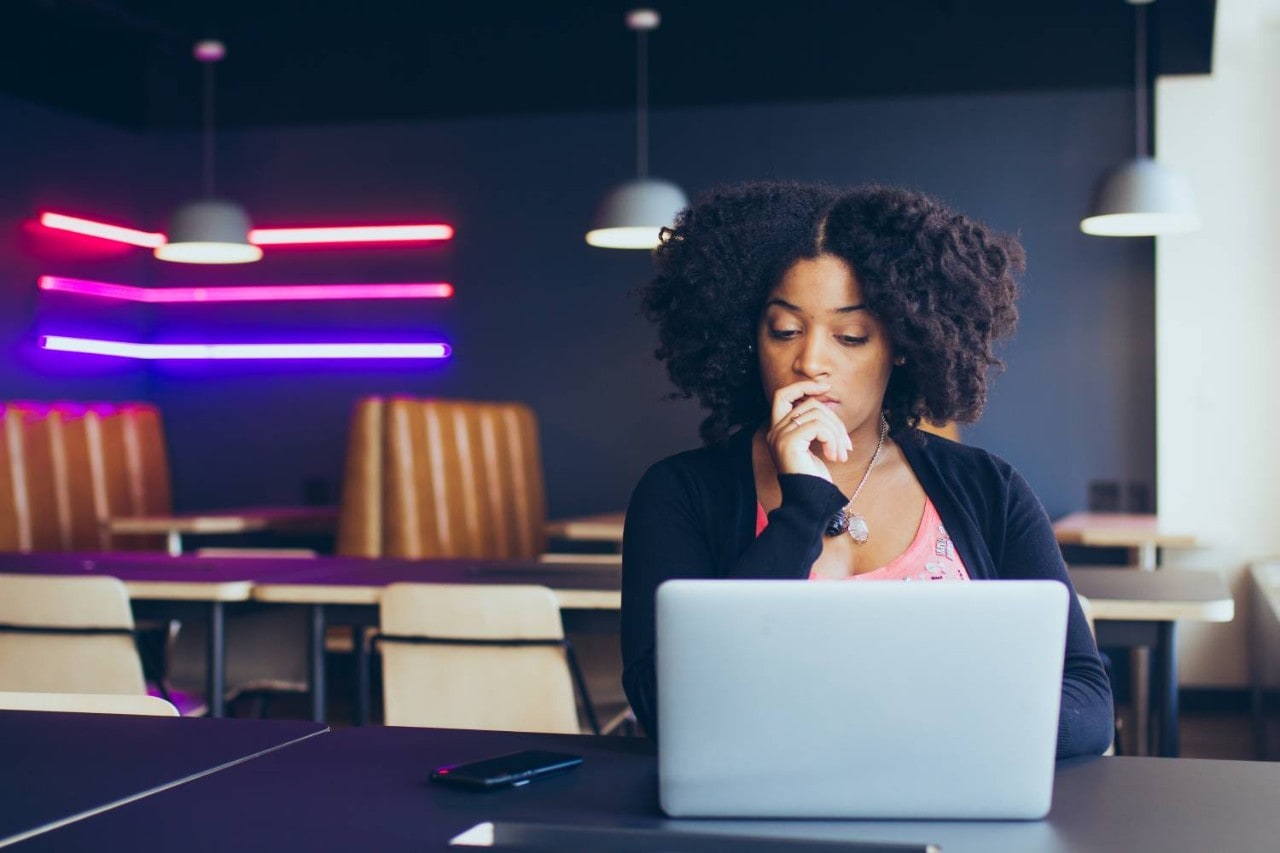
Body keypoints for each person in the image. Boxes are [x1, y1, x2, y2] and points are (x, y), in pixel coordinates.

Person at [621, 181, 1114, 759]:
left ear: (900, 344)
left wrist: (903, 725)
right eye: (784, 330)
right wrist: (800, 509)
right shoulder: (678, 493)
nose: (810, 361)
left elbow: (1087, 702)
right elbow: (665, 707)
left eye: (850, 336)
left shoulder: (988, 490)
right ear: (747, 338)